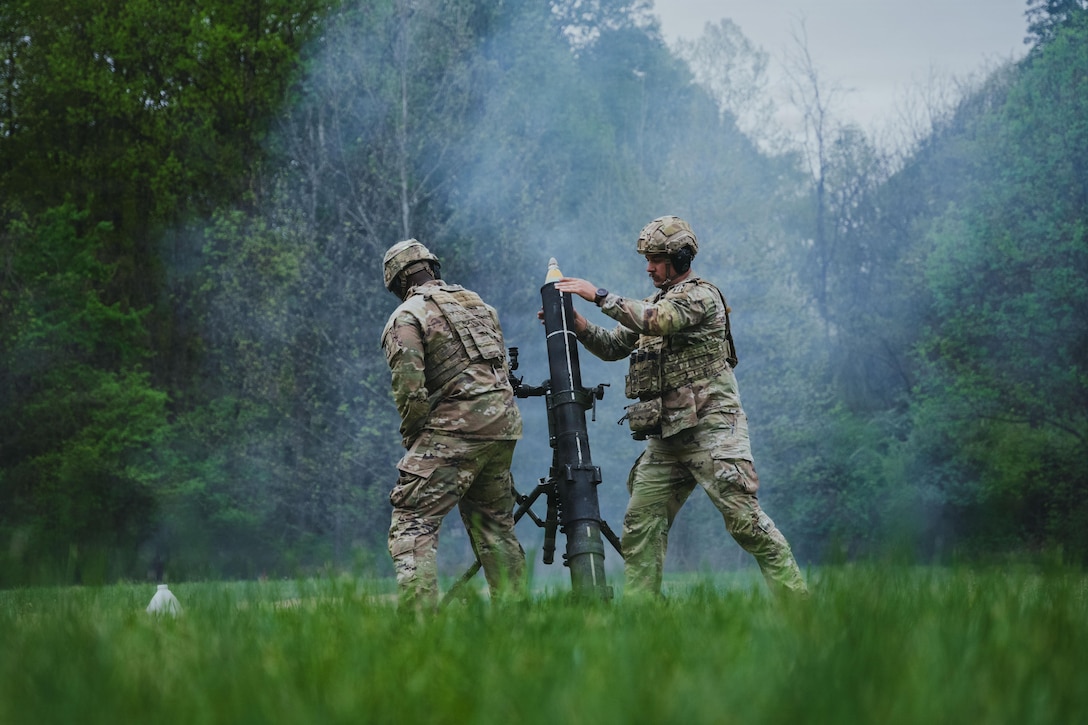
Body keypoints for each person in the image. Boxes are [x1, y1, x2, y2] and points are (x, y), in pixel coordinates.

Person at [552, 216, 808, 600]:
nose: (649, 267)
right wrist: (578, 324)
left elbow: (658, 321)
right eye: (648, 259)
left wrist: (599, 295)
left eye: (656, 259)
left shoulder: (700, 297)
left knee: (746, 523)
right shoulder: (651, 303)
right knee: (641, 525)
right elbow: (612, 346)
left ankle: (799, 604)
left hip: (712, 431)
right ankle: (642, 617)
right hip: (668, 438)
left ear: (681, 257)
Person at [380, 239, 526, 611]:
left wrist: (414, 439)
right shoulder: (479, 304)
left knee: (413, 518)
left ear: (398, 283)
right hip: (503, 425)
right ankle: (518, 623)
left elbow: (410, 391)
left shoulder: (407, 316)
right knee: (494, 525)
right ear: (433, 268)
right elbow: (500, 372)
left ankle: (419, 626)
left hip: (459, 428)